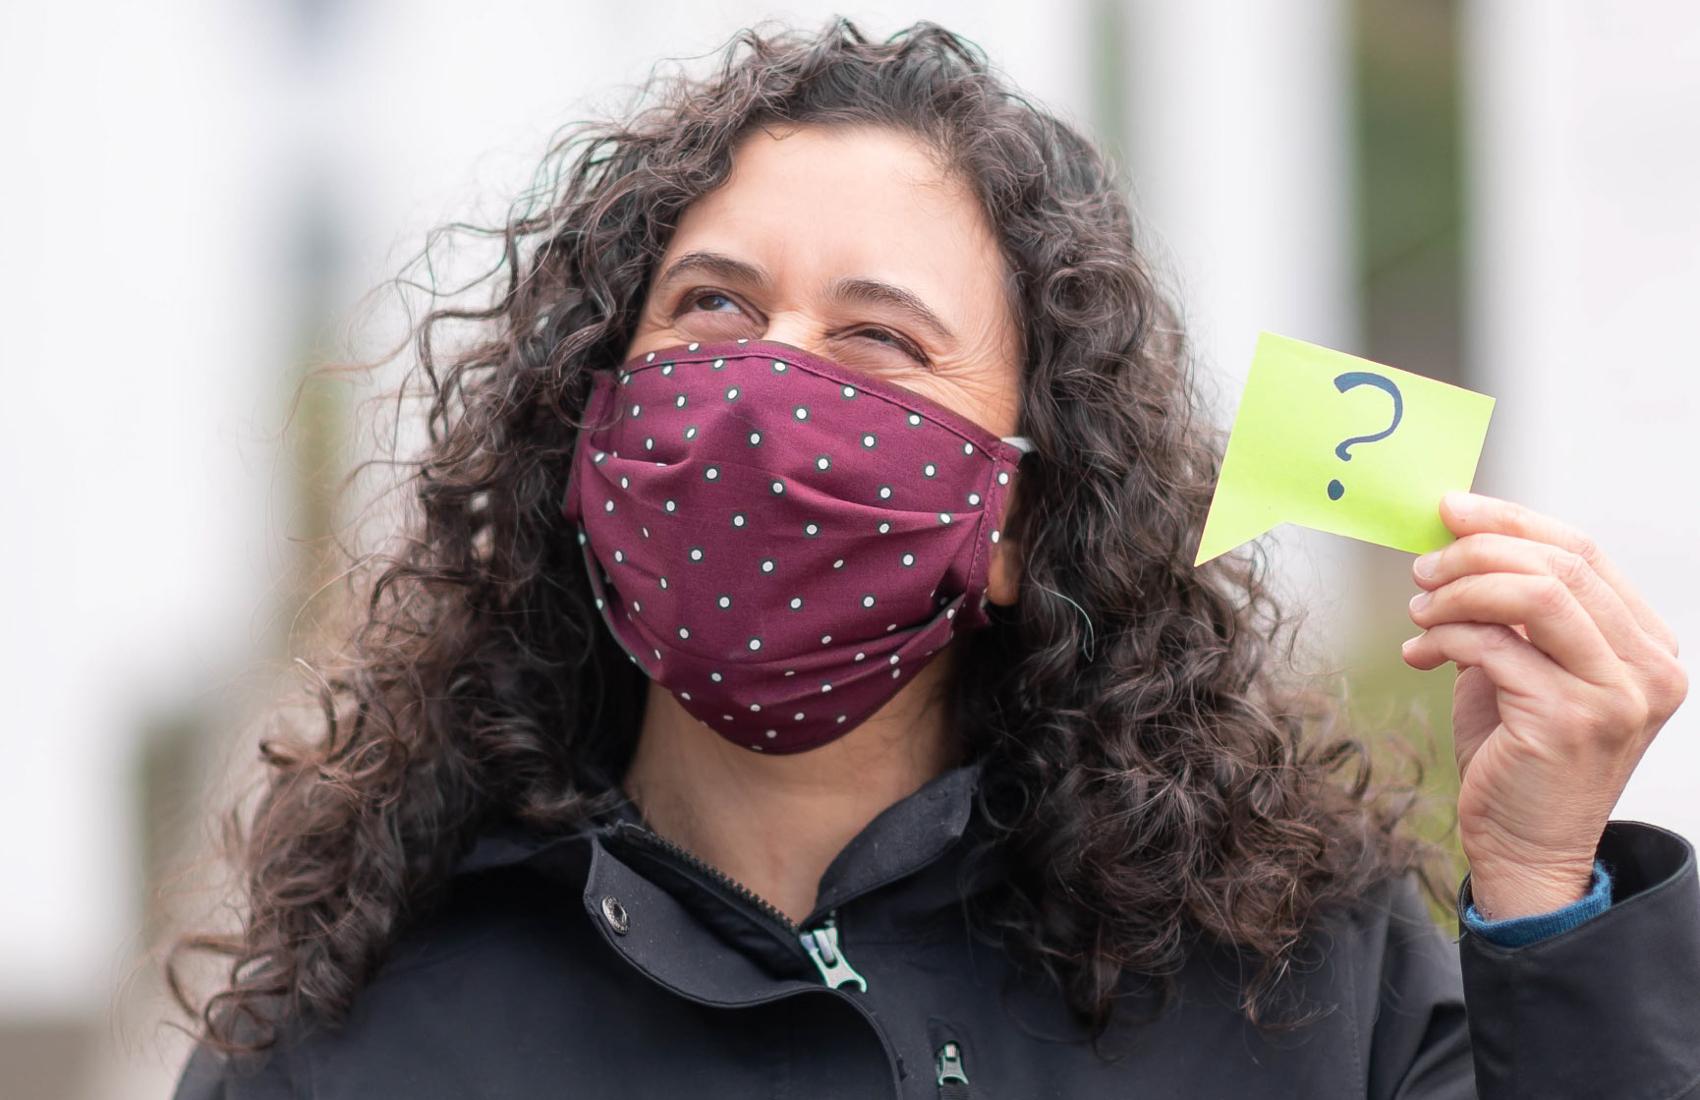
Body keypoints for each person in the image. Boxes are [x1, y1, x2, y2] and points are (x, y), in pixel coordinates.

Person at [169, 20, 1697, 1100]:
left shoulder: (1294, 987)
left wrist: (1543, 897)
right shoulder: (358, 1034)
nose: (764, 388)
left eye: (878, 340)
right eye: (711, 307)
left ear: (1022, 521)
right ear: (592, 428)